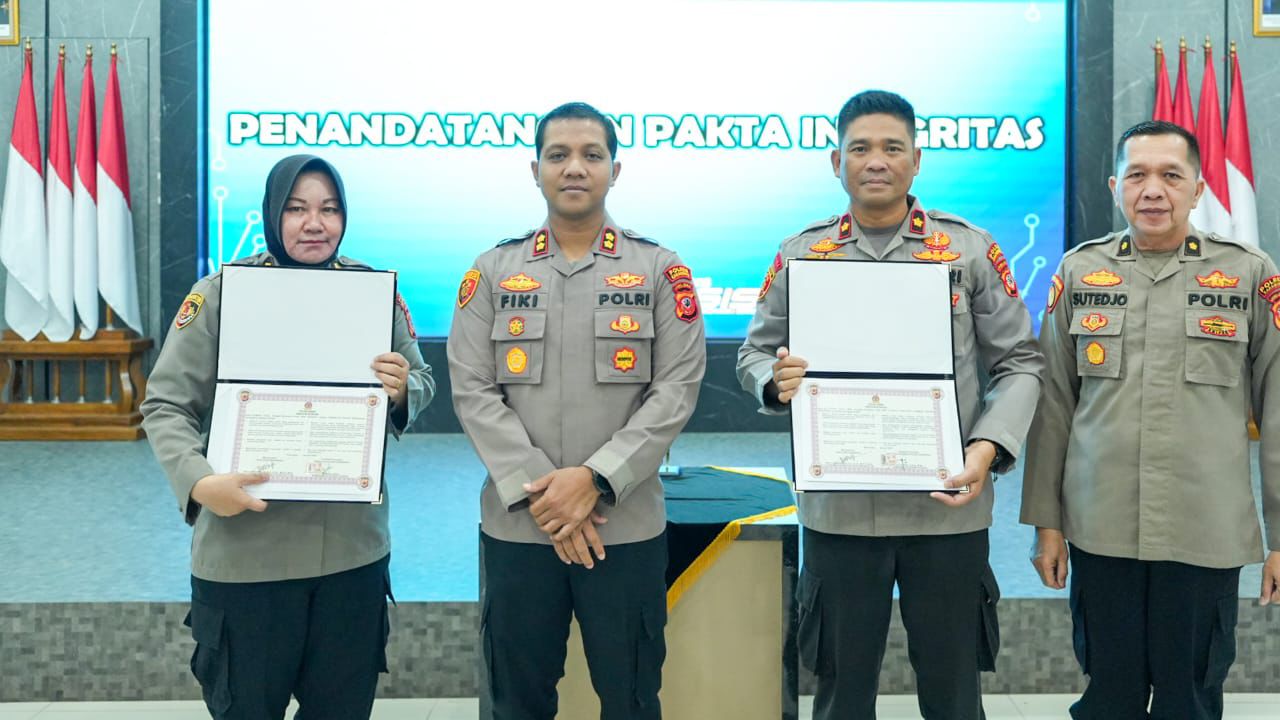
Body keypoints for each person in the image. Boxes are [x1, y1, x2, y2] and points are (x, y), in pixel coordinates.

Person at [736, 90, 1043, 720]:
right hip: (841, 513)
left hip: (947, 509)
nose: (876, 160)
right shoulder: (801, 253)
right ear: (836, 162)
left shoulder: (968, 249)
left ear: (917, 160)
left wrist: (987, 449)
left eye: (892, 147)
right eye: (860, 148)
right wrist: (774, 380)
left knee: (954, 695)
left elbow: (1020, 363)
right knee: (841, 694)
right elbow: (754, 353)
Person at [141, 154, 434, 720]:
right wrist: (199, 483)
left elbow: (420, 379)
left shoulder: (373, 292)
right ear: (272, 215)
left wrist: (402, 390)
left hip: (351, 556)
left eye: (329, 209)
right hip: (247, 557)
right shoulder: (221, 295)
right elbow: (166, 404)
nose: (314, 224)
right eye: (297, 209)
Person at [447, 101, 706, 720]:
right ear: (534, 169)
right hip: (521, 528)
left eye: (592, 155)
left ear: (616, 169)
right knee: (517, 702)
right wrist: (547, 494)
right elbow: (473, 388)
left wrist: (594, 481)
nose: (574, 168)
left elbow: (676, 387)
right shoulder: (492, 271)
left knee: (631, 699)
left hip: (623, 526)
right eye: (558, 155)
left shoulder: (660, 269)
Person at [1021, 120, 1280, 720]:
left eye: (1171, 175)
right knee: (1109, 698)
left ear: (1198, 189)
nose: (1153, 190)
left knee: (1189, 700)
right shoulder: (1080, 272)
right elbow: (1053, 406)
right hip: (1101, 527)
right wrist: (1046, 524)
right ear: (1115, 187)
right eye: (1137, 175)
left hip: (1204, 530)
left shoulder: (1248, 274)